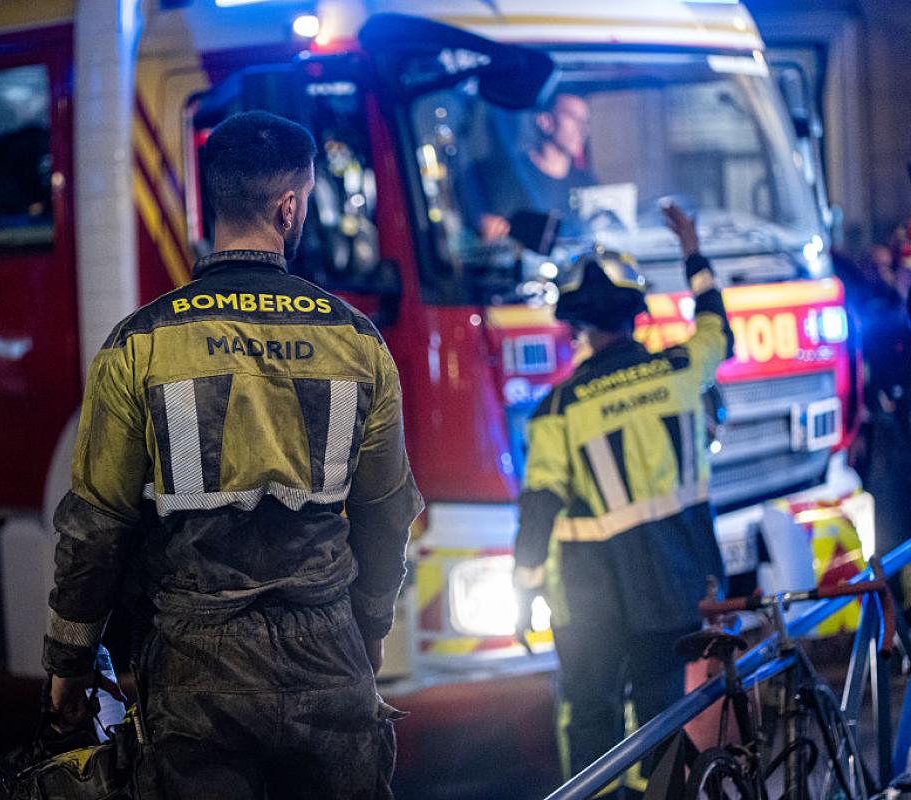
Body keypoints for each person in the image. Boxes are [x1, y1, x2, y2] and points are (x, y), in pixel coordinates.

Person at [42, 110, 423, 799]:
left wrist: (70, 661)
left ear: (214, 199)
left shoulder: (140, 344)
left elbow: (96, 526)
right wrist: (369, 626)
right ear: (289, 207)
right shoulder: (358, 342)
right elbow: (386, 508)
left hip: (194, 664)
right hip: (328, 649)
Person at [512, 205, 732, 783]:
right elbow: (716, 328)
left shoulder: (558, 410)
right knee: (663, 715)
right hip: (679, 587)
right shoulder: (682, 369)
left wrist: (524, 591)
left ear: (576, 327)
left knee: (590, 719)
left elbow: (539, 505)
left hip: (591, 601)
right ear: (637, 315)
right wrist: (693, 251)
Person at [474, 93, 597, 243]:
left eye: (585, 121)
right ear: (545, 121)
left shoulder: (586, 182)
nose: (583, 129)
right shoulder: (510, 177)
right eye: (573, 117)